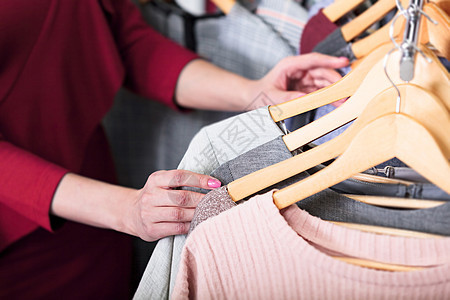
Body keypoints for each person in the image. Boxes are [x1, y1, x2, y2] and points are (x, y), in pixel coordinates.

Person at [0, 0, 348, 298]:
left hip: (95, 198)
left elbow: (122, 38)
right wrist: (123, 210)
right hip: (23, 235)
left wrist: (255, 92)